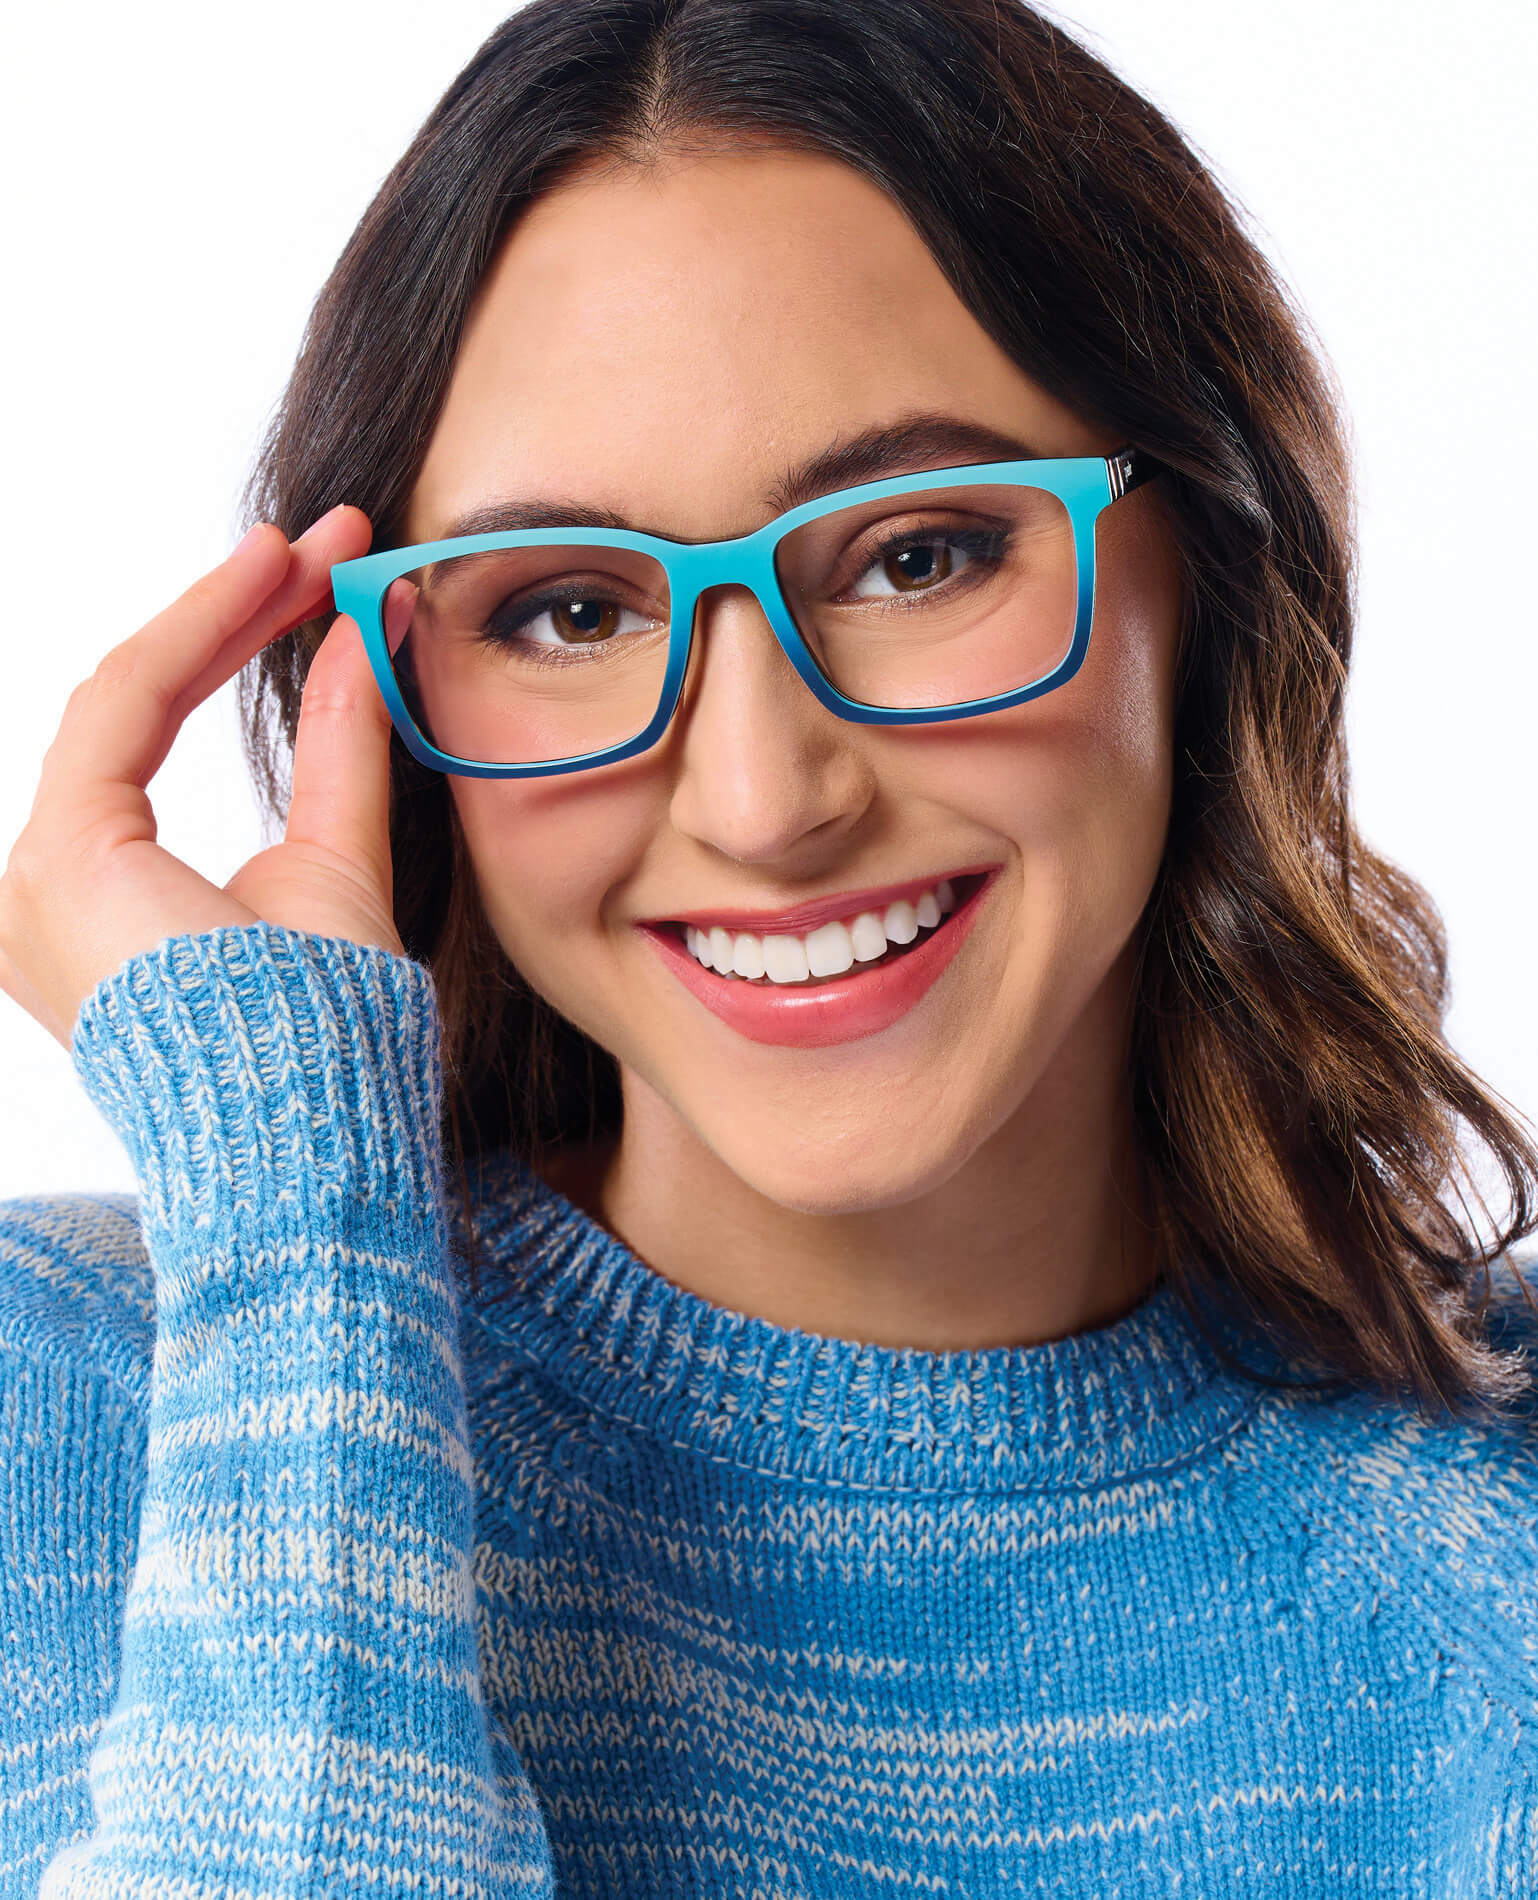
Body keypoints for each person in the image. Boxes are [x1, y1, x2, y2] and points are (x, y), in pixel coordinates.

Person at [1, 0, 1534, 1891]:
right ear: (371, 694)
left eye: (912, 555)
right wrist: (303, 1236)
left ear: (1215, 570)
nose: (757, 796)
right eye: (567, 608)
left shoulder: (1491, 1581)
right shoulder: (92, 1399)